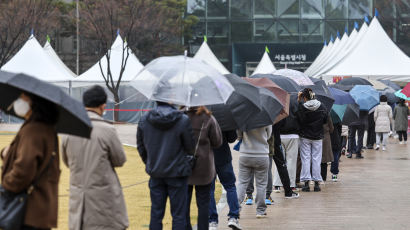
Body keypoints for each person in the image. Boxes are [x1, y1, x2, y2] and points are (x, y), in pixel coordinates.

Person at [61, 85, 128, 230]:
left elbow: (66, 161)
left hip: (78, 200)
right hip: (104, 202)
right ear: (103, 107)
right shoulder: (107, 130)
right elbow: (120, 160)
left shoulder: (68, 130)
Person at [1, 92, 60, 230]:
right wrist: (6, 153)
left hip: (28, 211)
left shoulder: (33, 130)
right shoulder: (46, 128)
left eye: (22, 98)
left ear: (34, 102)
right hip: (40, 209)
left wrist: (6, 185)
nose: (18, 101)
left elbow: (24, 169)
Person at [137, 101, 195, 230]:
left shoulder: (145, 119)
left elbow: (141, 146)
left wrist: (150, 162)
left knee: (156, 214)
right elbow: (191, 147)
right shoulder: (183, 120)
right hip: (178, 172)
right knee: (179, 215)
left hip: (156, 172)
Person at [185, 106, 222, 230]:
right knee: (203, 205)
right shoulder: (209, 118)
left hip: (184, 166)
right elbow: (217, 142)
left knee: (184, 205)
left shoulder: (181, 117)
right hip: (204, 167)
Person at [236, 125, 272, 218]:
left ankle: (236, 209)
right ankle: (260, 211)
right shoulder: (266, 117)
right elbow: (268, 135)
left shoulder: (243, 117)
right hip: (262, 154)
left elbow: (239, 136)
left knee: (242, 183)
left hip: (245, 154)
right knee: (261, 184)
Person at [208, 130, 242, 230]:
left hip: (207, 157)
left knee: (209, 189)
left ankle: (212, 220)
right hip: (223, 155)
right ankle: (233, 216)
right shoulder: (225, 116)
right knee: (230, 186)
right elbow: (232, 138)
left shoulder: (201, 116)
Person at [296, 88, 328, 192]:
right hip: (318, 136)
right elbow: (325, 120)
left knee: (305, 159)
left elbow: (299, 119)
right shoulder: (322, 106)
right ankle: (316, 183)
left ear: (304, 97)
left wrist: (298, 99)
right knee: (316, 159)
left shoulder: (302, 107)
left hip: (305, 136)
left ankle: (306, 183)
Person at [321, 115, 334, 182]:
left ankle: (314, 177)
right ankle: (323, 177)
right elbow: (331, 128)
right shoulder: (327, 114)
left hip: (315, 136)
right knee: (324, 159)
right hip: (326, 137)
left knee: (315, 158)